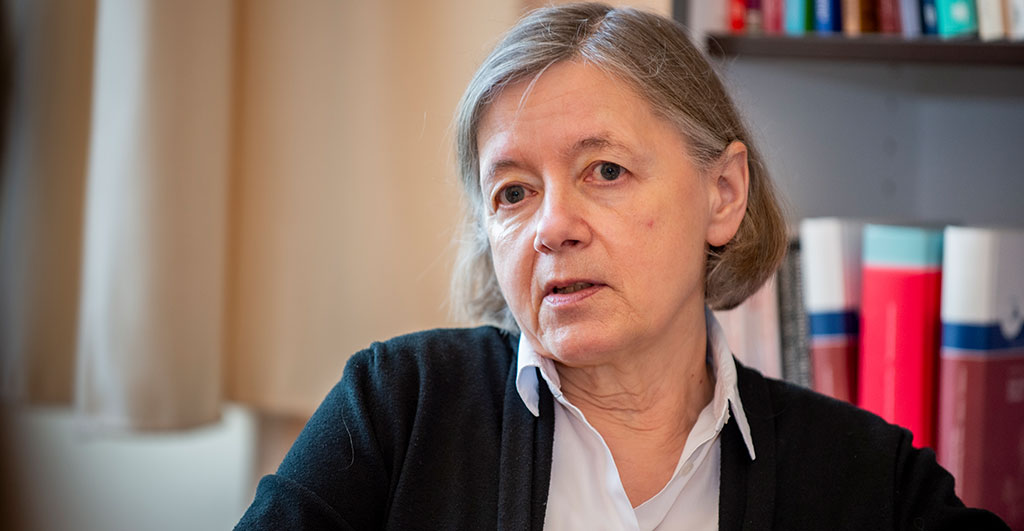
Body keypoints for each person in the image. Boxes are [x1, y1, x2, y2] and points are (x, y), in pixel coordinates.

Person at [235, 3, 1008, 530]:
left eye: (605, 170)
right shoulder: (396, 409)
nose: (552, 227)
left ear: (723, 193)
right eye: (513, 192)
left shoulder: (864, 477)